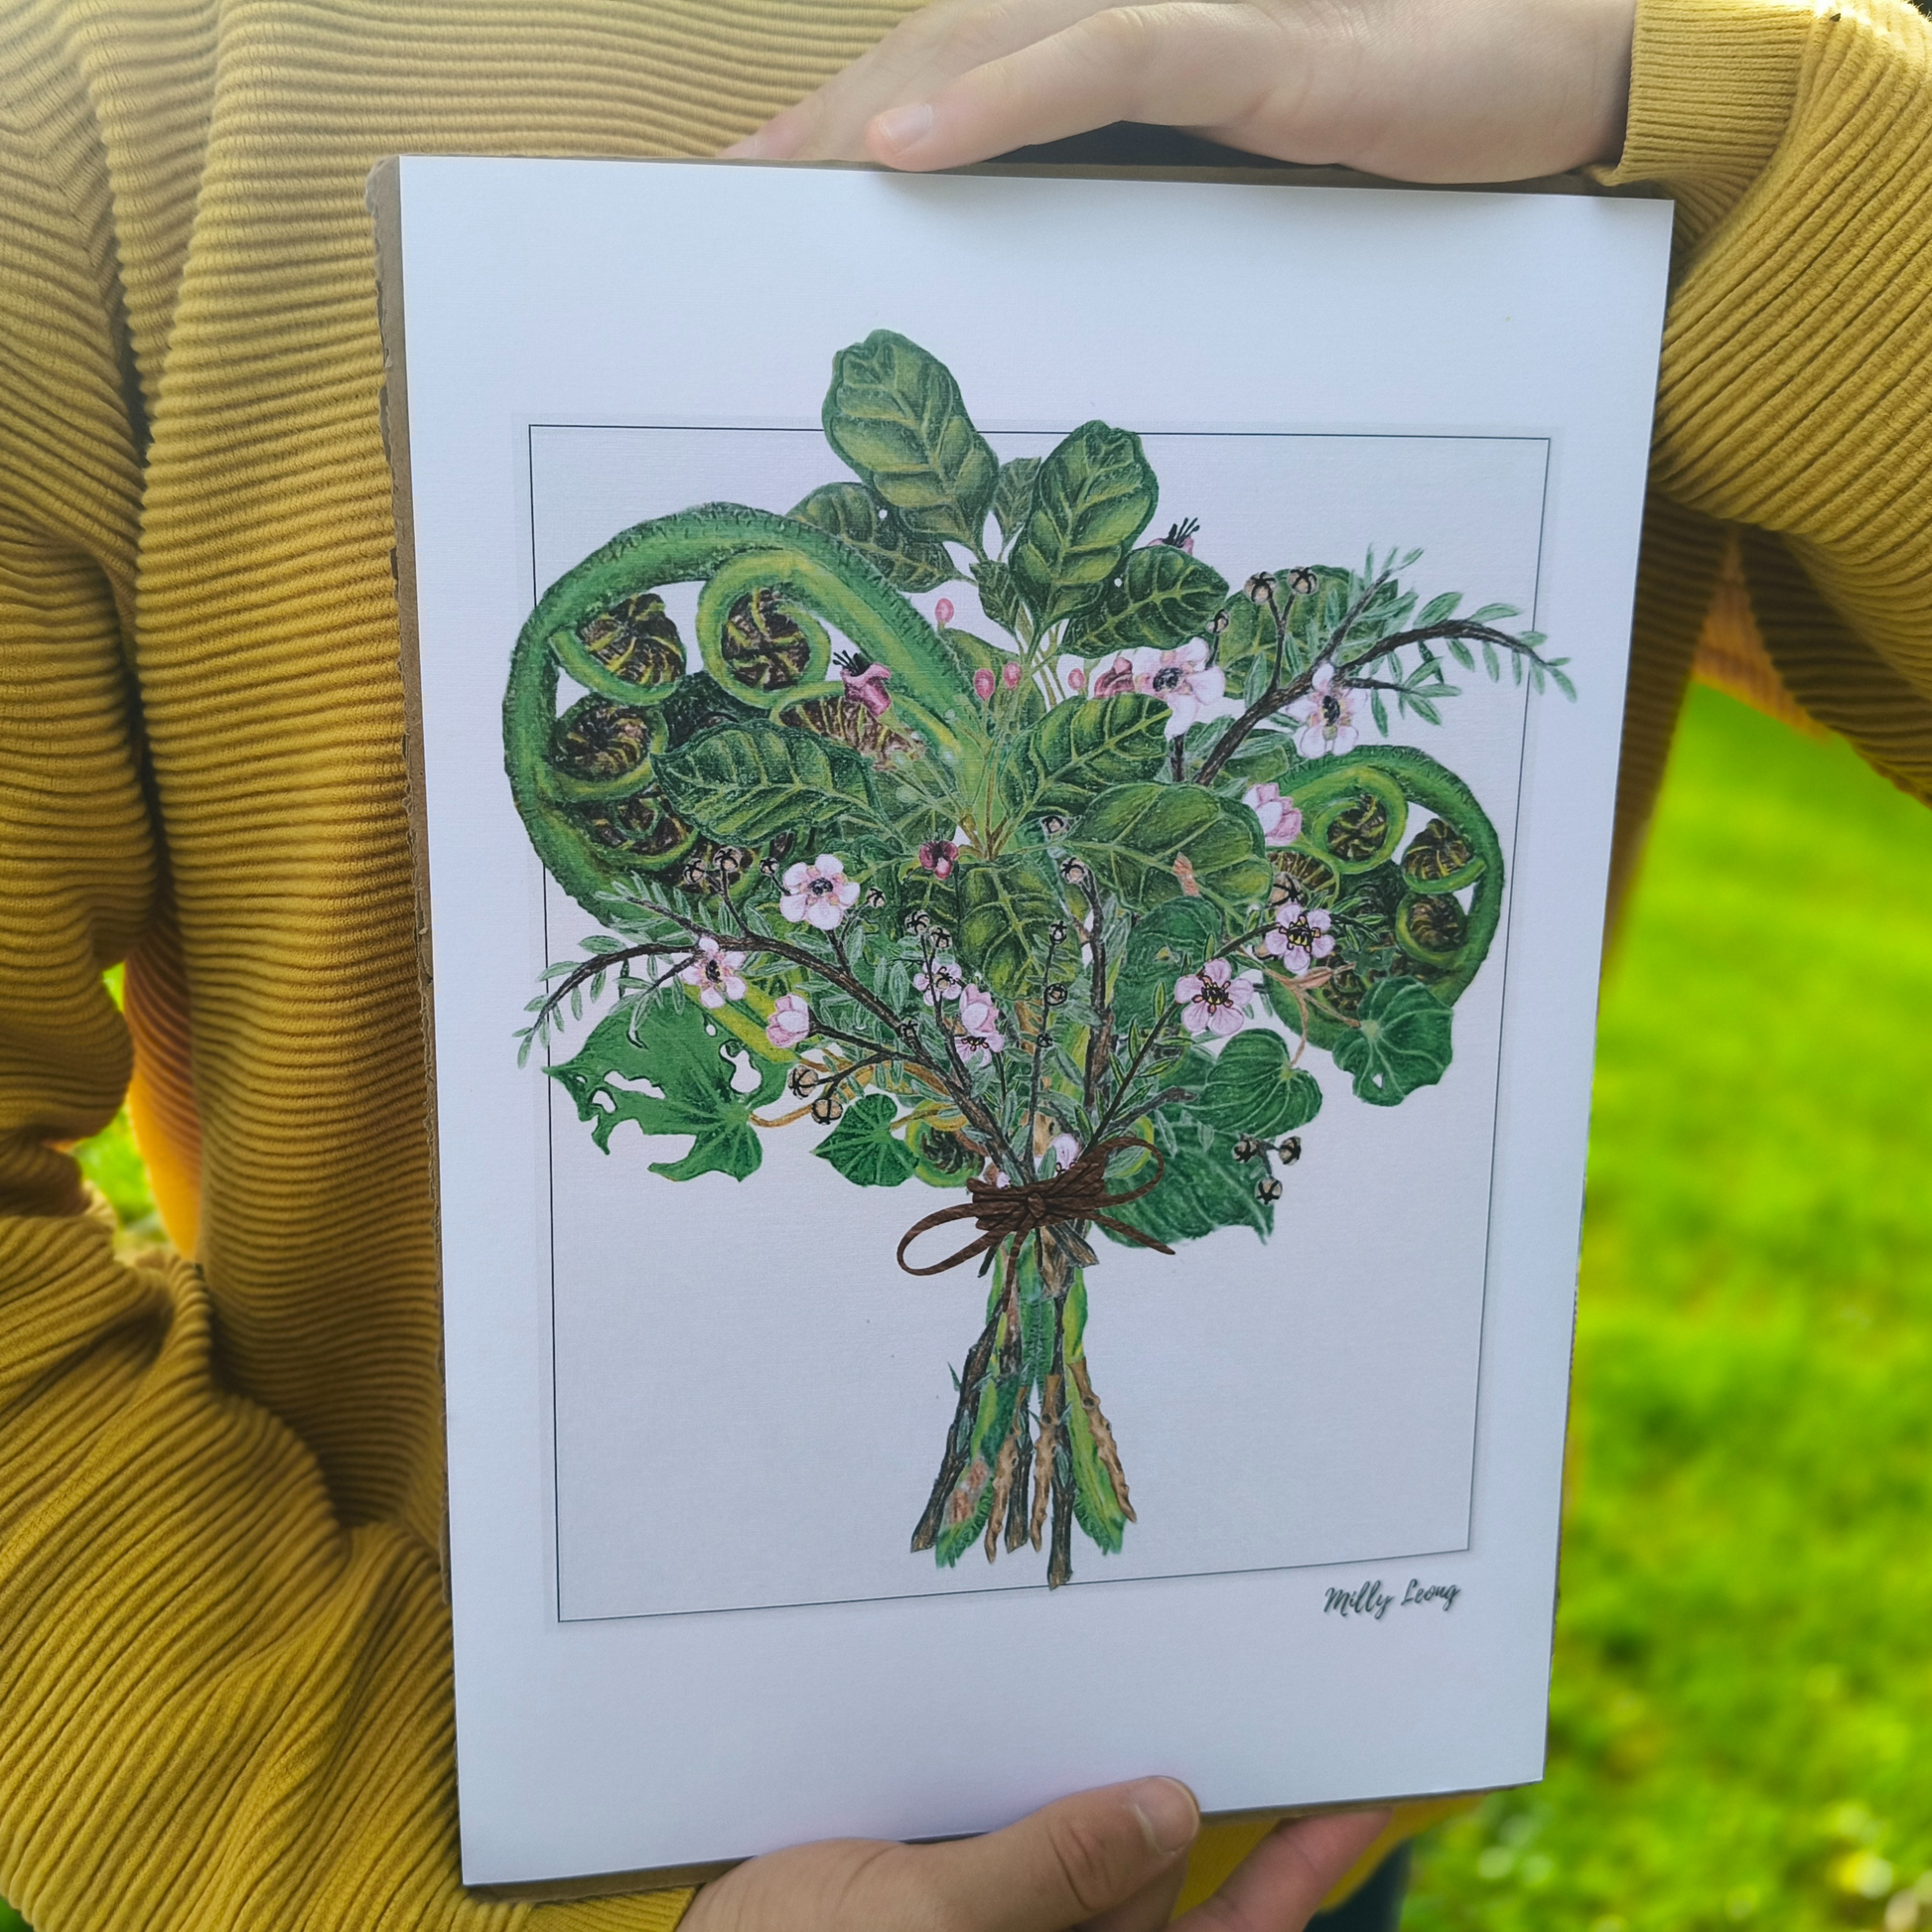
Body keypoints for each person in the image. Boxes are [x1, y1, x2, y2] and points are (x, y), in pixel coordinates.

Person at [0, 0, 1926, 1927]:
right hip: (448, 1830)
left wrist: (1710, 118)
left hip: (1253, 1804)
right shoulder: (142, 73)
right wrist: (352, 1862)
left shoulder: (1608, 61)